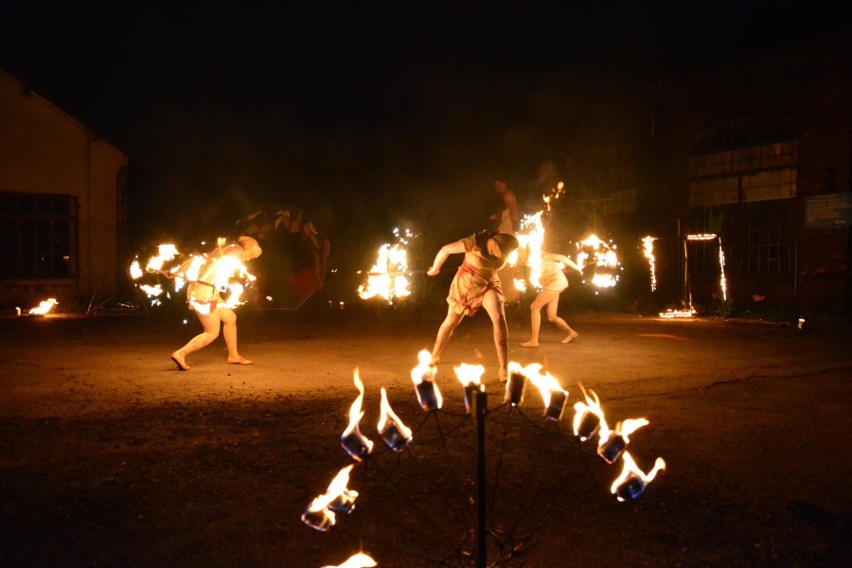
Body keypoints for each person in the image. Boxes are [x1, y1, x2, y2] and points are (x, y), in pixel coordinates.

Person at [427, 230, 520, 382]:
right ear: (496, 246)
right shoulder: (475, 242)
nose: (504, 258)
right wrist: (434, 269)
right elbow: (446, 249)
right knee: (451, 321)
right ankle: (435, 354)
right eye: (503, 254)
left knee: (499, 317)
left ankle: (503, 368)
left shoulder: (505, 249)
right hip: (466, 286)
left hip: (488, 283)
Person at [169, 236, 263, 371]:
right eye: (250, 256)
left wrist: (176, 272)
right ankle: (180, 354)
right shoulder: (236, 250)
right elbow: (216, 267)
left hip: (208, 290)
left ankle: (234, 356)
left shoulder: (223, 251)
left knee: (230, 317)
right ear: (247, 249)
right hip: (204, 293)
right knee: (211, 332)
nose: (248, 259)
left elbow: (195, 260)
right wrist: (199, 277)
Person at [520, 251, 581, 347]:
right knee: (552, 316)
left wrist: (578, 268)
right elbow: (542, 280)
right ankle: (571, 333)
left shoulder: (543, 256)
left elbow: (563, 257)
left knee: (535, 307)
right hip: (554, 284)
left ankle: (534, 341)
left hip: (557, 283)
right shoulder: (533, 263)